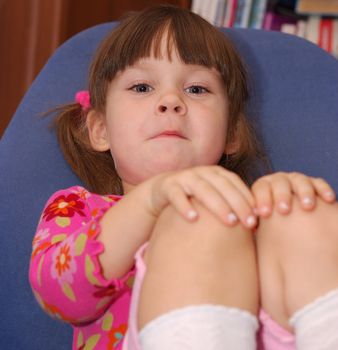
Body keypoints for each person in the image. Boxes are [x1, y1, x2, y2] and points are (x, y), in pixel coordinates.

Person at [29, 5, 338, 350]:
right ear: (100, 129)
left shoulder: (253, 216)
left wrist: (284, 208)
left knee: (300, 210)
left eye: (197, 89)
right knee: (198, 216)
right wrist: (150, 201)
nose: (171, 101)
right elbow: (58, 295)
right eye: (142, 87)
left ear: (232, 133)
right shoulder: (80, 208)